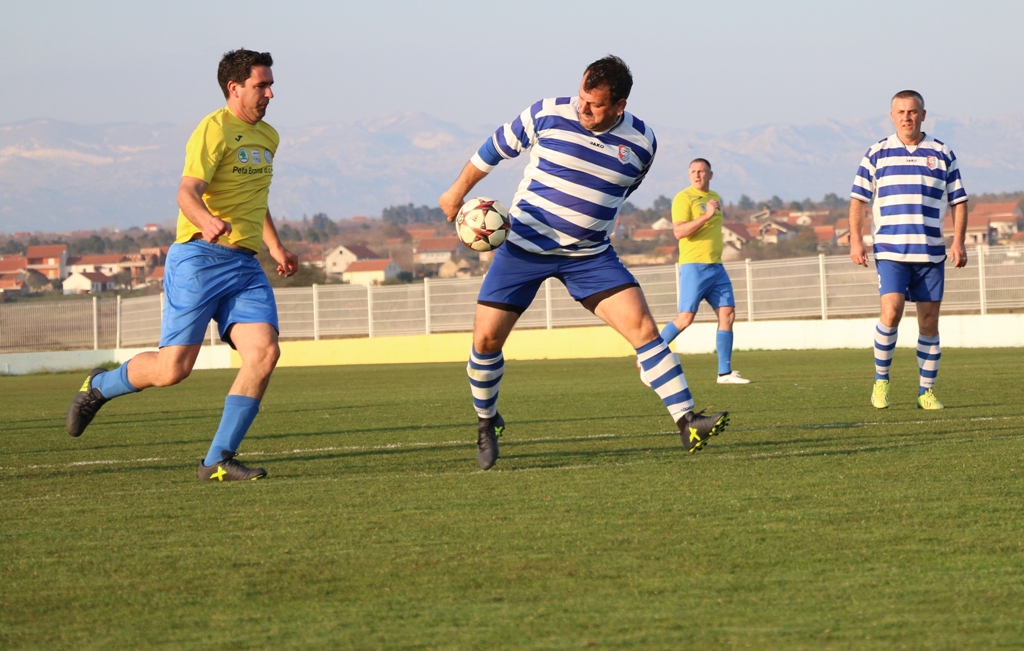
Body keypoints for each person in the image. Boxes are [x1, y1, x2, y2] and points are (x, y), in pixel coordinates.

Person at [439, 55, 729, 470]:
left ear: (619, 106)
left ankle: (688, 421)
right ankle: (487, 423)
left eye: (594, 105)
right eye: (581, 98)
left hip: (589, 257)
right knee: (485, 342)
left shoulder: (643, 142)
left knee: (645, 328)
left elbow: (620, 190)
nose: (583, 108)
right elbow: (492, 149)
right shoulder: (545, 114)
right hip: (524, 249)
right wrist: (455, 193)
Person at [65, 49, 298, 481]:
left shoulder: (269, 137)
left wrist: (277, 248)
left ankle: (217, 461)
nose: (270, 93)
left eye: (270, 84)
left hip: (245, 268)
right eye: (261, 85)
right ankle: (99, 386)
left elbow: (255, 199)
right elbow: (187, 191)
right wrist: (206, 220)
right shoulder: (213, 130)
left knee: (264, 354)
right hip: (200, 259)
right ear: (235, 88)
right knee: (173, 370)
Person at [849, 90, 967, 410]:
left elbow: (958, 200)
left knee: (928, 322)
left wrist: (958, 241)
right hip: (891, 250)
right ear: (892, 116)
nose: (907, 117)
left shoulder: (942, 153)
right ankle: (881, 381)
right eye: (901, 112)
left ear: (923, 115)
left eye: (912, 112)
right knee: (892, 311)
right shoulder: (877, 153)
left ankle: (926, 392)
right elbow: (859, 199)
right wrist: (856, 240)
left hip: (930, 253)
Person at [654, 158, 750, 385]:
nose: (697, 175)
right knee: (685, 319)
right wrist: (705, 216)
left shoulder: (715, 198)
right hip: (694, 267)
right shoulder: (683, 198)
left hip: (716, 267)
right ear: (689, 175)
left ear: (710, 175)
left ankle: (724, 373)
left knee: (728, 314)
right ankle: (649, 355)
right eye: (693, 172)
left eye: (701, 171)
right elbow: (679, 232)